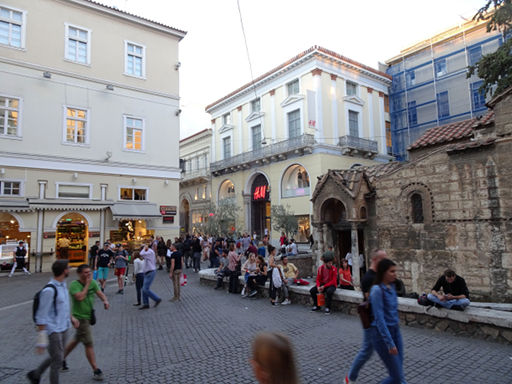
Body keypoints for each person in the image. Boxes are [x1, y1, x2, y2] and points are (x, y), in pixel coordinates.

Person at [27, 260, 78, 384]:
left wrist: (71, 318)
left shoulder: (63, 285)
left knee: (57, 356)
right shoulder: (49, 290)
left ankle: (36, 374)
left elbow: (64, 306)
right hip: (53, 329)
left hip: (64, 327)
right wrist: (41, 340)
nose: (69, 269)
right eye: (68, 267)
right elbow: (41, 316)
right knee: (58, 360)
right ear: (64, 271)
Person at [346, 249, 387, 384]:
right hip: (372, 321)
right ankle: (350, 377)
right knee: (366, 352)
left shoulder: (379, 276)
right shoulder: (369, 278)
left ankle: (350, 377)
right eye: (383, 259)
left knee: (371, 352)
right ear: (375, 260)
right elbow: (374, 301)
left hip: (380, 321)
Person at [64, 264, 109, 381]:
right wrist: (88, 285)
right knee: (88, 342)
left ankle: (60, 359)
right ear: (79, 274)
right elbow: (80, 297)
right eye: (85, 272)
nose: (88, 274)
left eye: (89, 272)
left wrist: (105, 300)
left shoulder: (93, 283)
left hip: (88, 317)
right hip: (80, 318)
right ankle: (96, 369)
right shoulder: (74, 285)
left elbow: (99, 293)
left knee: (76, 340)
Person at [368, 259, 407, 384]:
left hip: (395, 331)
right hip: (382, 336)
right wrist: (390, 343)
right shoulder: (377, 290)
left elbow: (392, 311)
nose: (395, 274)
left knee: (398, 373)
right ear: (383, 273)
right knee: (396, 376)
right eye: (392, 271)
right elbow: (379, 319)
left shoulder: (393, 286)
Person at [139, 243, 162, 309]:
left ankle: (157, 299)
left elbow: (141, 254)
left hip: (150, 272)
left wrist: (144, 248)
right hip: (147, 272)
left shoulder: (149, 252)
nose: (141, 249)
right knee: (144, 289)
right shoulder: (148, 252)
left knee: (145, 289)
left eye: (142, 248)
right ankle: (146, 303)